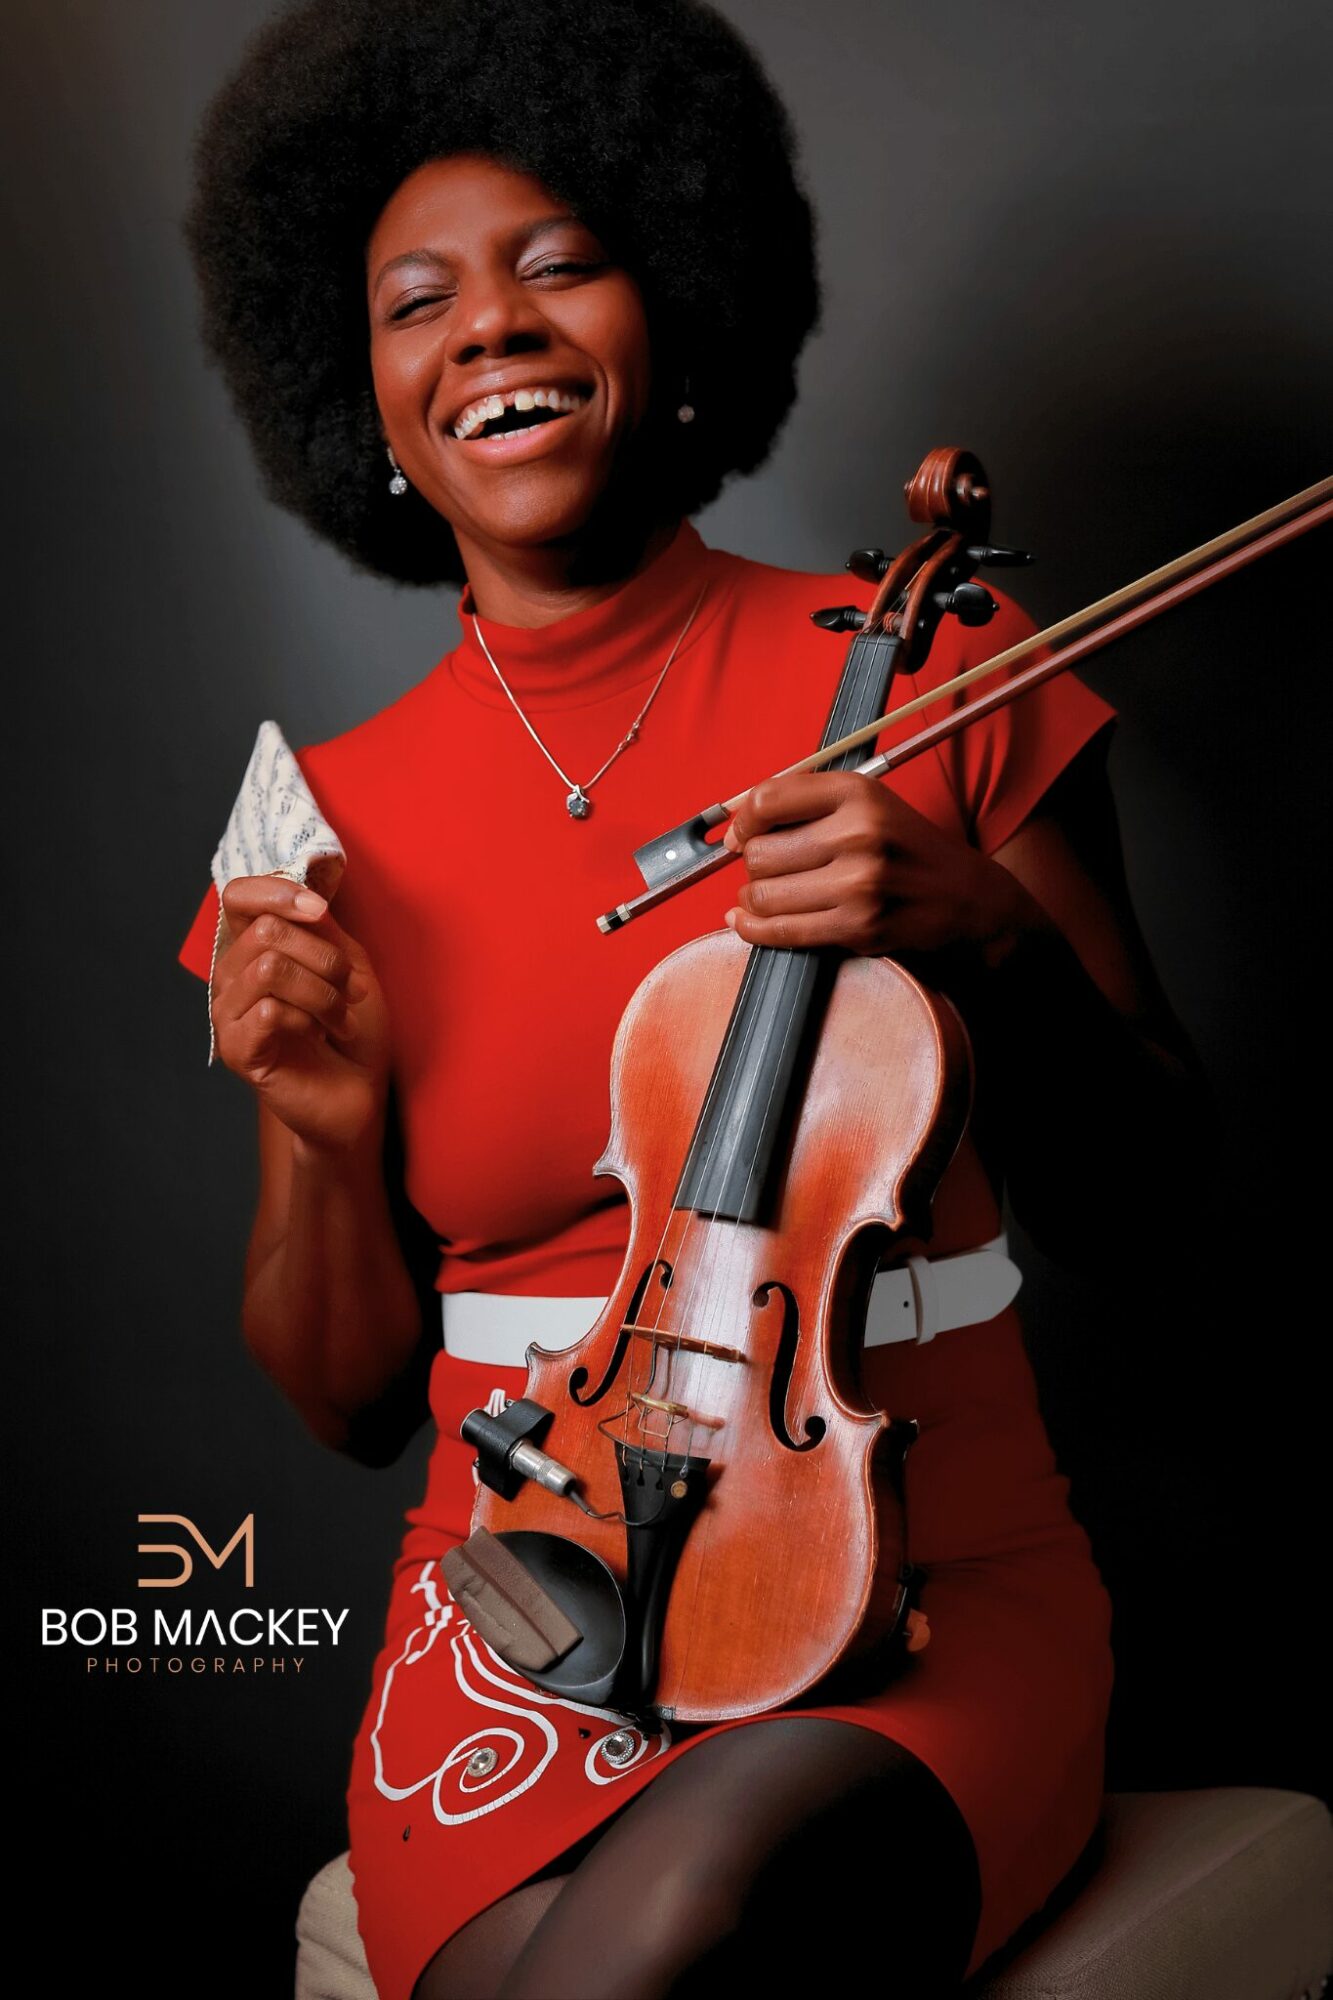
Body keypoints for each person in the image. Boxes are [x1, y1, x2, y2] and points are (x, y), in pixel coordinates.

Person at [175, 2, 1211, 1994]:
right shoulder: (318, 834)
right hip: (528, 1605)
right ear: (358, 394)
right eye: (415, 302)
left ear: (672, 315)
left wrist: (982, 937)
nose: (489, 324)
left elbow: (1154, 1203)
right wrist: (320, 1130)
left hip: (917, 1583)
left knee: (677, 1926)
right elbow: (345, 1404)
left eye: (559, 262)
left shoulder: (930, 667)